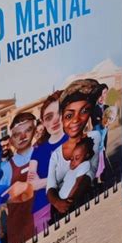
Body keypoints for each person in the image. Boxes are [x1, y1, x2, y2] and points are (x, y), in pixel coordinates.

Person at [46, 80, 101, 219]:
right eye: (69, 116)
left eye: (84, 111)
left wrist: (70, 201)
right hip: (59, 211)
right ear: (62, 120)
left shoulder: (93, 137)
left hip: (84, 202)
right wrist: (59, 204)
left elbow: (90, 172)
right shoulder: (56, 155)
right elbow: (50, 186)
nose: (76, 120)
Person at [27, 91, 68, 234]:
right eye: (48, 117)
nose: (55, 120)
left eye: (59, 113)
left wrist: (43, 182)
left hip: (68, 202)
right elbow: (31, 184)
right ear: (44, 122)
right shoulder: (38, 149)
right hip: (41, 209)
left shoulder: (73, 140)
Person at [0, 112, 36, 243]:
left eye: (27, 130)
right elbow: (0, 201)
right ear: (12, 140)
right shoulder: (6, 169)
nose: (22, 137)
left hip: (46, 221)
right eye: (16, 135)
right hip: (20, 231)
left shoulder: (45, 154)